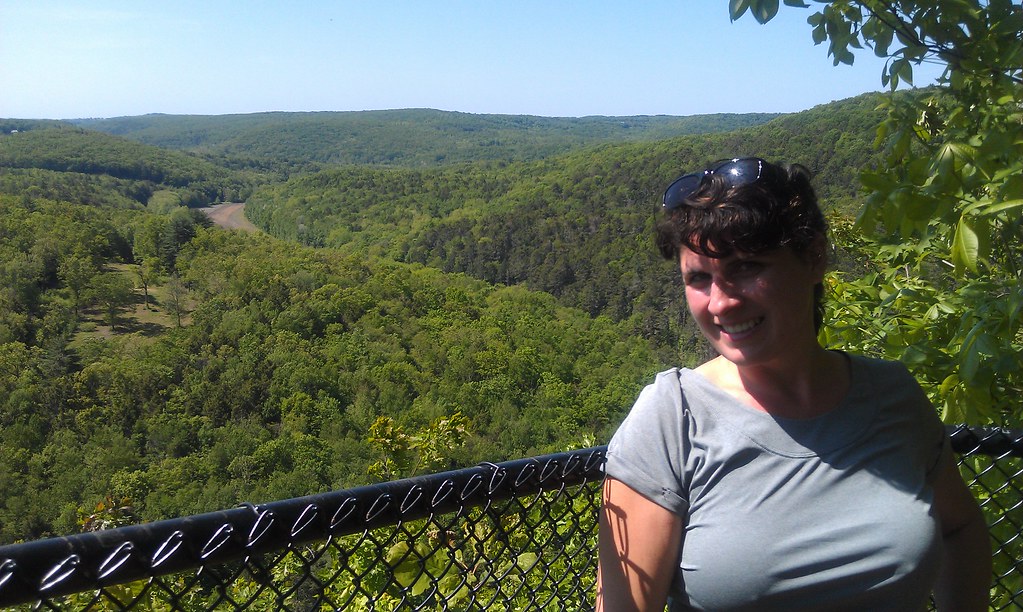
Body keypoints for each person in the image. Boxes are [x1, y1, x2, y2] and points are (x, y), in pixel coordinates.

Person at [596, 158, 991, 611]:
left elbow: (960, 527)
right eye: (699, 278)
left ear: (814, 258)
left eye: (746, 266)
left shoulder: (892, 396)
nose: (722, 302)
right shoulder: (672, 418)